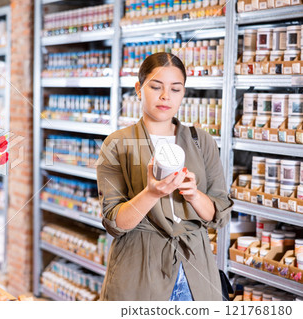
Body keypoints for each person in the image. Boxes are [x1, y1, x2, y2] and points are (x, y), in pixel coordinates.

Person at [96, 52, 233, 301]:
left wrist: (193, 195)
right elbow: (115, 223)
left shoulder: (201, 141)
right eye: (155, 86)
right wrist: (151, 193)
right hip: (139, 271)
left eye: (175, 89)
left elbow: (218, 215)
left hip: (196, 270)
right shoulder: (117, 144)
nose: (165, 96)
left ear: (183, 93)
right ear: (139, 89)